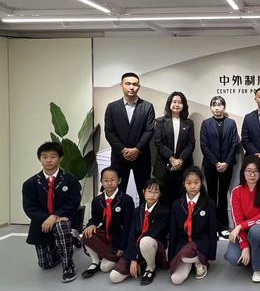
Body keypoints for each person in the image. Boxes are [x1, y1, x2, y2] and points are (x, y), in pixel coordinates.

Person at [22, 142, 81, 283]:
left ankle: (68, 266)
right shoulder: (30, 184)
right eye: (44, 157)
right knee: (46, 265)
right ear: (39, 159)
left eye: (53, 156)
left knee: (61, 226)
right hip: (42, 222)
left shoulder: (70, 179)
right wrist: (47, 218)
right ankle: (62, 245)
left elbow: (74, 202)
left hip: (64, 219)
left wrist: (55, 216)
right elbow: (29, 207)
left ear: (60, 158)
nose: (48, 160)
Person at [104, 72, 155, 201]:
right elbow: (109, 132)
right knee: (117, 193)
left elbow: (149, 131)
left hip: (142, 157)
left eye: (135, 84)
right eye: (128, 84)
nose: (131, 87)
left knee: (145, 193)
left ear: (139, 87)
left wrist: (137, 150)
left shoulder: (147, 107)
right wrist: (123, 150)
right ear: (121, 86)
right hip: (119, 157)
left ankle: (144, 214)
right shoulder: (112, 107)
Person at [109, 179, 170, 285]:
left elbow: (153, 233)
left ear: (160, 194)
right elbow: (132, 235)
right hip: (136, 248)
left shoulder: (164, 211)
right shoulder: (137, 211)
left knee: (145, 241)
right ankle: (142, 263)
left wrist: (136, 258)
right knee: (114, 277)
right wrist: (133, 257)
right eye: (149, 191)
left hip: (153, 247)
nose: (152, 195)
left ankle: (151, 267)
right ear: (143, 192)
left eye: (156, 192)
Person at [224, 155, 260, 283]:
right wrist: (244, 246)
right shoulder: (236, 191)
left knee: (256, 231)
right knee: (232, 257)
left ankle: (259, 268)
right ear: (243, 172)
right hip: (243, 232)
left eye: (256, 171)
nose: (252, 174)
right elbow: (237, 220)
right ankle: (253, 252)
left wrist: (241, 227)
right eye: (249, 171)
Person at [81, 167, 135, 278]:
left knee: (105, 268)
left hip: (119, 238)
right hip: (105, 235)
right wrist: (91, 224)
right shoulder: (97, 200)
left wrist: (122, 247)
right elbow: (95, 219)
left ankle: (113, 255)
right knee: (86, 233)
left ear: (119, 180)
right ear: (101, 181)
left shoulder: (126, 200)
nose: (109, 183)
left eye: (112, 180)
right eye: (106, 180)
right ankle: (95, 261)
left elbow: (129, 225)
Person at [168, 166, 218, 285]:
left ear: (201, 183)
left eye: (196, 182)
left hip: (201, 243)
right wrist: (171, 255)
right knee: (176, 279)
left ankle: (200, 261)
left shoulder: (209, 203)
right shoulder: (176, 204)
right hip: (183, 243)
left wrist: (211, 255)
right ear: (184, 184)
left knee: (187, 253)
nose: (192, 186)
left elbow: (212, 229)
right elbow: (173, 231)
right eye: (189, 183)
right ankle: (191, 261)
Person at [200, 96, 239, 238]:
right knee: (211, 195)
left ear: (224, 107)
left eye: (220, 105)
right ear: (211, 107)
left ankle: (222, 226)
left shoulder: (231, 123)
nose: (217, 108)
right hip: (210, 165)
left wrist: (226, 163)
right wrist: (216, 163)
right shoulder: (206, 123)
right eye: (214, 105)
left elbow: (234, 143)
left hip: (227, 165)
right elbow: (204, 145)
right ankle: (212, 227)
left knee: (223, 195)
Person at [153, 91, 196, 207]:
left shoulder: (189, 123)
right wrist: (172, 159)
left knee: (181, 203)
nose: (177, 105)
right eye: (174, 102)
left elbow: (191, 144)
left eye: (180, 102)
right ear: (169, 104)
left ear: (184, 105)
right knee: (163, 202)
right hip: (164, 167)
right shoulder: (160, 121)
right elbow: (158, 142)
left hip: (183, 168)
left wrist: (180, 161)